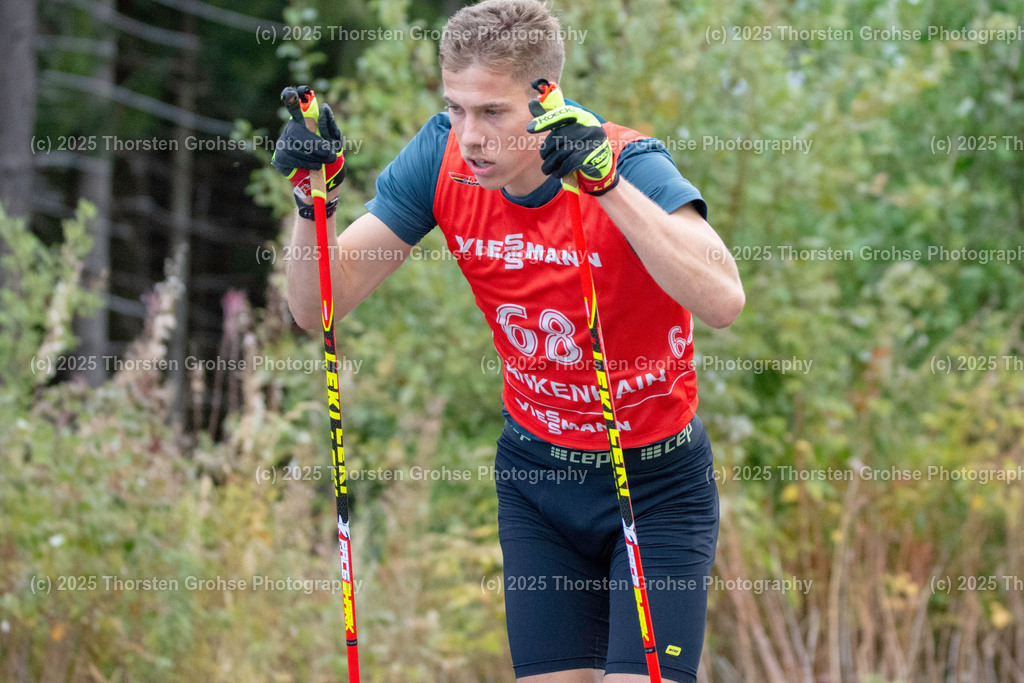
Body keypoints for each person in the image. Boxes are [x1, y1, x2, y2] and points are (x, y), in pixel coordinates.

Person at [272, 1, 744, 680]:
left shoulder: (629, 161)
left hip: (654, 481)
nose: (470, 135)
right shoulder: (440, 158)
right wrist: (312, 203)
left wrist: (606, 187)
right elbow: (320, 305)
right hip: (537, 480)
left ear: (544, 95)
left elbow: (723, 299)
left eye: (492, 112)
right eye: (456, 108)